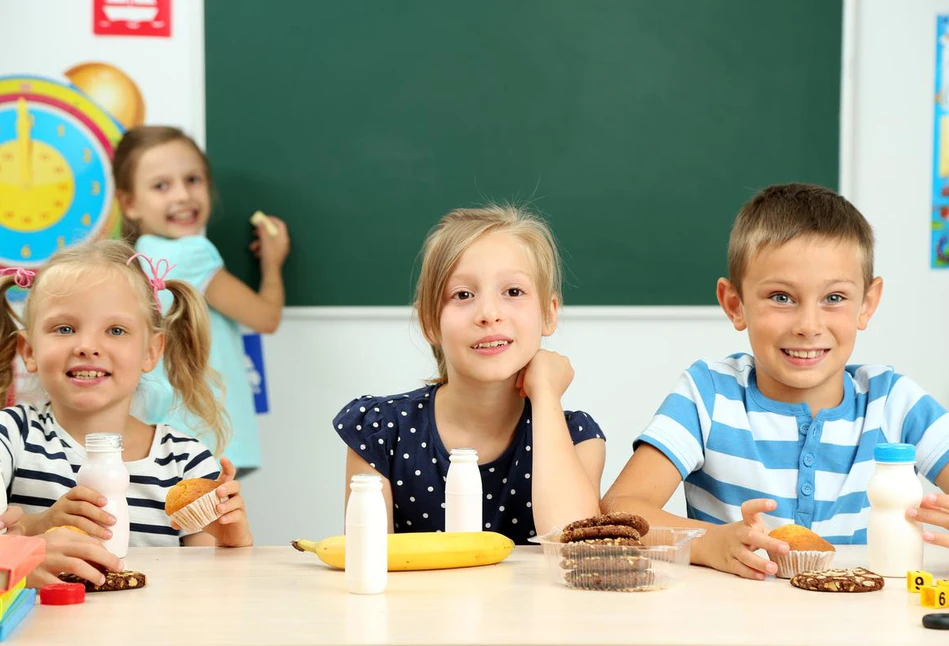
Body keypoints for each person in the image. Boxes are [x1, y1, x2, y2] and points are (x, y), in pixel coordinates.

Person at [602, 183, 949, 579]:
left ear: (867, 304)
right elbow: (621, 509)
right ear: (735, 305)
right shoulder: (708, 395)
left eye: (834, 298)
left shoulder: (894, 402)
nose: (808, 326)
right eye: (781, 297)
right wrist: (708, 542)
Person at [333, 205, 605, 544]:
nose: (489, 314)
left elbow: (574, 545)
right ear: (430, 321)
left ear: (549, 314)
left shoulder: (577, 437)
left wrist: (546, 393)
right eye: (463, 295)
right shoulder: (381, 432)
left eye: (513, 292)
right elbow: (367, 563)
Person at [0, 239, 253, 587]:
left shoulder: (186, 462)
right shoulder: (10, 437)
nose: (87, 346)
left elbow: (213, 589)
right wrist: (36, 528)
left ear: (151, 351)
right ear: (29, 350)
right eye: (64, 329)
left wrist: (232, 542)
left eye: (115, 330)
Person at [113, 125, 291, 474]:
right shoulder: (192, 253)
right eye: (161, 186)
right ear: (129, 202)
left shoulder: (140, 257)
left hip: (163, 433)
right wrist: (272, 263)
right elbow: (265, 317)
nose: (182, 195)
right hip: (205, 435)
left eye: (193, 179)